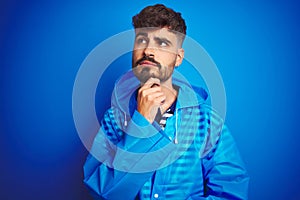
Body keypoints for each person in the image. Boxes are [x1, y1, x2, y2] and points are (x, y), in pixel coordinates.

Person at [83, 4, 249, 200]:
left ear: (178, 58)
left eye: (162, 43)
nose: (148, 51)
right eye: (142, 40)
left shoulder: (206, 121)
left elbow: (231, 193)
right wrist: (141, 123)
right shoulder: (114, 118)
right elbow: (101, 192)